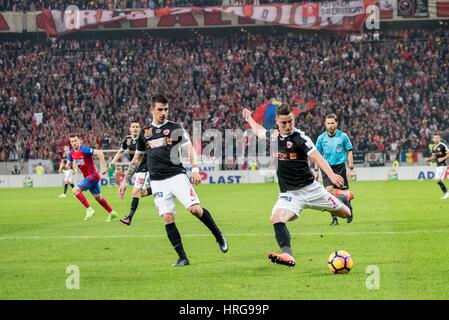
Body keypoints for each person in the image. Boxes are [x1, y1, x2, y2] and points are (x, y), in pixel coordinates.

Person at [118, 94, 228, 267]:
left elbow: (188, 148)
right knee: (168, 218)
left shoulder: (175, 127)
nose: (164, 113)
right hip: (157, 181)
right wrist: (126, 180)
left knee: (194, 209)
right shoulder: (144, 133)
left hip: (177, 176)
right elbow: (137, 159)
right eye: (160, 109)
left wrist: (195, 168)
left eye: (166, 109)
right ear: (152, 110)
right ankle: (182, 257)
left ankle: (218, 234)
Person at [242, 104, 351, 267]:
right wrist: (249, 118)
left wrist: (332, 175)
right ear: (277, 122)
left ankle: (343, 197)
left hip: (312, 190)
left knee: (345, 213)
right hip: (289, 194)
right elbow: (258, 131)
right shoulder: (273, 136)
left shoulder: (301, 138)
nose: (288, 126)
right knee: (276, 218)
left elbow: (317, 157)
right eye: (284, 123)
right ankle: (287, 254)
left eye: (290, 122)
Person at [66, 134, 118, 221]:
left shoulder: (85, 150)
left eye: (75, 140)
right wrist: (68, 167)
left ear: (79, 141)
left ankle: (89, 209)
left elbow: (99, 153)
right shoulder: (71, 153)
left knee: (75, 190)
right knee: (98, 197)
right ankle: (112, 213)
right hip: (88, 177)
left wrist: (103, 166)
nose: (74, 143)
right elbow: (68, 163)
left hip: (93, 176)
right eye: (72, 141)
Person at [314, 113, 354, 226]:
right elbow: (317, 155)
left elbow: (349, 151)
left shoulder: (343, 136)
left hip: (340, 167)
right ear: (325, 124)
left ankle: (349, 209)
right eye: (328, 123)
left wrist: (351, 168)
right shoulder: (321, 138)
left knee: (343, 193)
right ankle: (334, 218)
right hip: (326, 168)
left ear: (336, 123)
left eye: (332, 123)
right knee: (329, 193)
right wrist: (316, 170)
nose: (330, 125)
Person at [109, 120, 152, 225]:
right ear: (130, 128)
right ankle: (155, 190)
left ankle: (129, 218)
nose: (135, 128)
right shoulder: (128, 140)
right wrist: (113, 161)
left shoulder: (143, 139)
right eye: (133, 126)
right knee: (141, 193)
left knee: (135, 192)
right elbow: (121, 151)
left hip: (145, 168)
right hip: (137, 168)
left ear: (139, 128)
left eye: (137, 126)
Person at [425, 132, 449, 199]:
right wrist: (429, 159)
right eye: (435, 138)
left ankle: (447, 192)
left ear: (440, 138)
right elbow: (434, 156)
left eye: (437, 138)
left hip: (443, 165)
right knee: (437, 180)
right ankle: (446, 192)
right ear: (433, 139)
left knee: (437, 180)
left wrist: (443, 158)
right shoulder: (434, 147)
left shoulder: (443, 145)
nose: (436, 139)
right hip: (438, 165)